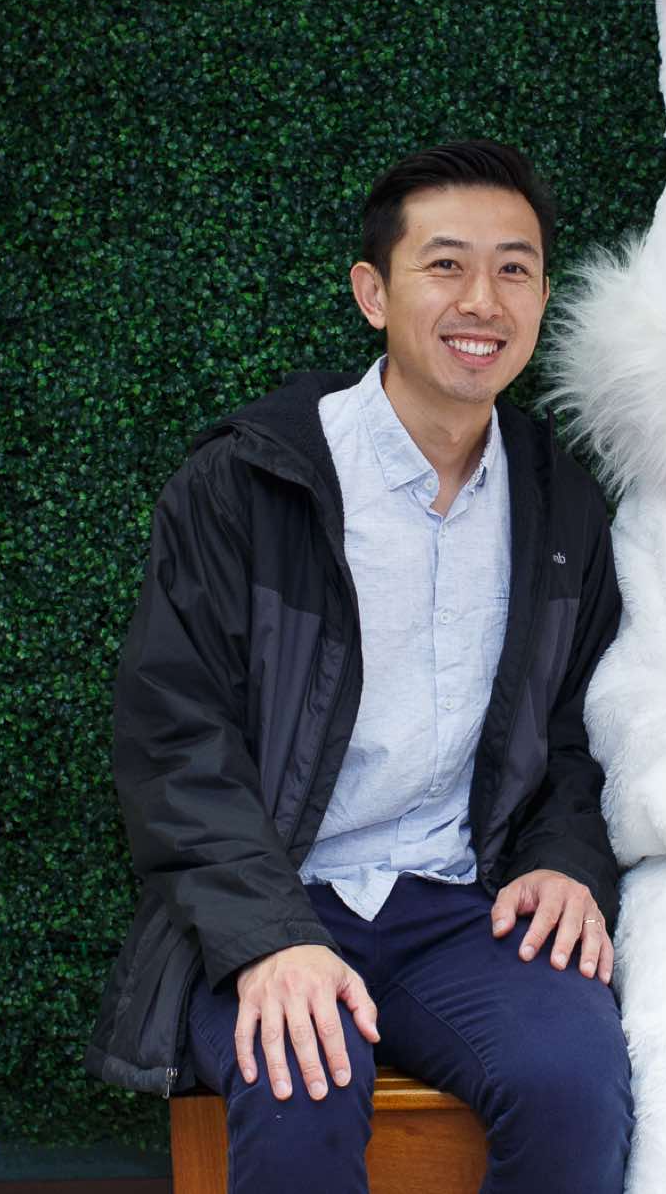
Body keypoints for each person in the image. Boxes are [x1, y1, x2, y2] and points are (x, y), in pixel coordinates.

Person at [84, 140, 633, 1193]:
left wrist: (565, 860)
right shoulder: (248, 484)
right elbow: (175, 742)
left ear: (540, 296)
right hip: (275, 894)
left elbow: (576, 731)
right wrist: (268, 940)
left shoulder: (561, 501)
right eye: (445, 264)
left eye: (514, 269)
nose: (482, 301)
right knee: (302, 1081)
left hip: (464, 903)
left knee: (573, 1082)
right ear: (373, 293)